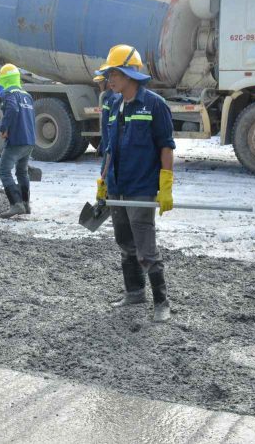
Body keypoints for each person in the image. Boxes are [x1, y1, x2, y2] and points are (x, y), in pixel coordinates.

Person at [97, 44, 176, 323]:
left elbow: (166, 148)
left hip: (141, 187)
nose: (110, 80)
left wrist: (165, 185)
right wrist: (103, 182)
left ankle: (162, 302)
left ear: (129, 73)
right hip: (118, 186)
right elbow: (109, 148)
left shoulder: (154, 104)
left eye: (114, 74)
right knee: (124, 243)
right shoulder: (115, 104)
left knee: (146, 249)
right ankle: (134, 293)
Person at [0, 64, 36, 217]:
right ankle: (26, 204)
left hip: (17, 140)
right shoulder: (27, 95)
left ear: (4, 80)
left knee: (4, 171)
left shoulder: (10, 94)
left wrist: (3, 128)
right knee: (21, 171)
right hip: (29, 140)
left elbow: (12, 109)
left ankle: (16, 204)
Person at [96, 74, 115, 158]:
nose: (99, 85)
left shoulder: (112, 97)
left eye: (101, 83)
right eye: (99, 83)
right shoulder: (106, 96)